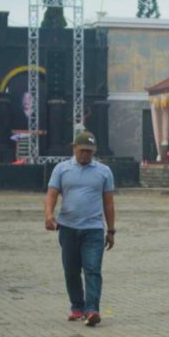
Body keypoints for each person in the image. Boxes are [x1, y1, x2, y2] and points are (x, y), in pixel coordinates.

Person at [44, 130, 116, 326]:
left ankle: (92, 310)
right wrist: (49, 215)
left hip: (93, 229)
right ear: (74, 148)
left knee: (93, 269)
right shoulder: (61, 169)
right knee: (71, 270)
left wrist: (110, 230)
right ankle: (77, 306)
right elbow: (52, 193)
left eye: (89, 151)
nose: (85, 154)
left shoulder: (103, 171)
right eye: (82, 150)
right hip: (67, 228)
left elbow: (108, 203)